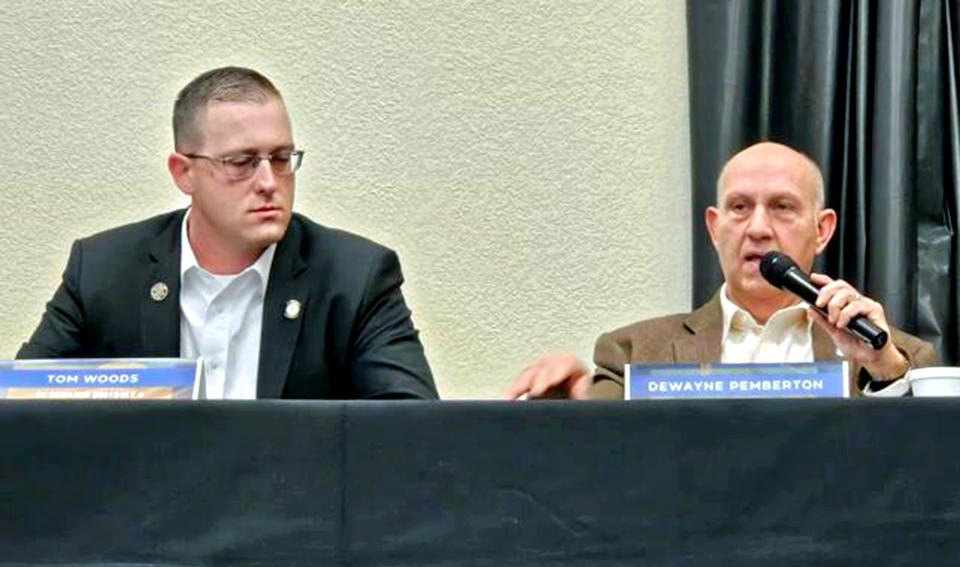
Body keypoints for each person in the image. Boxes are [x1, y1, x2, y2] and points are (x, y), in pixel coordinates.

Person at [18, 66, 439, 400]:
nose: (269, 181)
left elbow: (408, 432)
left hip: (293, 505)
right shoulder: (103, 271)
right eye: (241, 162)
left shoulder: (355, 277)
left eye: (280, 158)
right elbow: (22, 411)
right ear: (184, 172)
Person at [507, 141, 937, 400]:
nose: (757, 228)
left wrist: (882, 367)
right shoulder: (634, 353)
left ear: (822, 230)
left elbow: (922, 480)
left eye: (782, 208)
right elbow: (602, 461)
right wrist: (572, 401)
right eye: (739, 207)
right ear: (715, 227)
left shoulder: (902, 360)